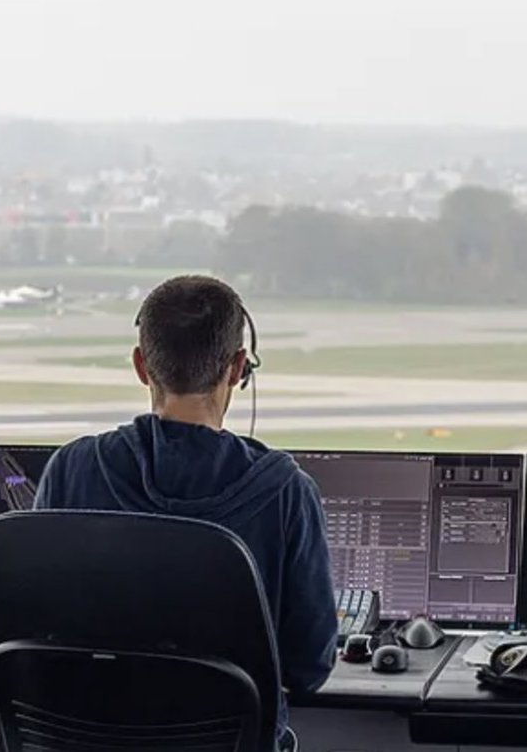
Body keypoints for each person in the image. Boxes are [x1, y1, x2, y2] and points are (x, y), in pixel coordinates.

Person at [35, 275, 335, 751]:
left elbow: (36, 640)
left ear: (140, 365)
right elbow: (308, 670)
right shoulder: (287, 493)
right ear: (238, 368)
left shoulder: (71, 471)